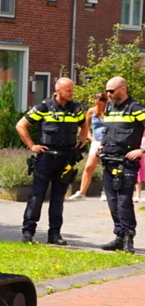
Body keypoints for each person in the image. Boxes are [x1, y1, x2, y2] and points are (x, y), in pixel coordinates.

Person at [16, 77, 87, 245]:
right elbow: (21, 125)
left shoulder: (75, 107)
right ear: (59, 91)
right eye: (69, 90)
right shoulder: (44, 106)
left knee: (58, 198)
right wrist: (32, 146)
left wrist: (82, 142)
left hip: (66, 159)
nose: (72, 93)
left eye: (72, 90)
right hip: (46, 159)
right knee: (37, 196)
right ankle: (28, 233)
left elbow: (84, 125)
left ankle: (55, 234)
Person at [98, 76, 145, 253]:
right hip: (109, 160)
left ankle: (128, 237)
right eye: (107, 91)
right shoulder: (110, 107)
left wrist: (142, 150)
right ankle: (118, 235)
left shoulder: (135, 108)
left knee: (124, 201)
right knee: (112, 201)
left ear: (123, 89)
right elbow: (109, 130)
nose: (108, 94)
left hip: (126, 163)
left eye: (112, 91)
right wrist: (102, 145)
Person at [69, 92, 108, 201]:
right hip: (96, 141)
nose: (98, 106)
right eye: (96, 103)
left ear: (105, 102)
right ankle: (82, 192)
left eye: (100, 104)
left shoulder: (110, 112)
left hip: (108, 142)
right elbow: (85, 126)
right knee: (89, 167)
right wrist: (89, 137)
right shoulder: (91, 112)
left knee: (106, 167)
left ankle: (106, 191)